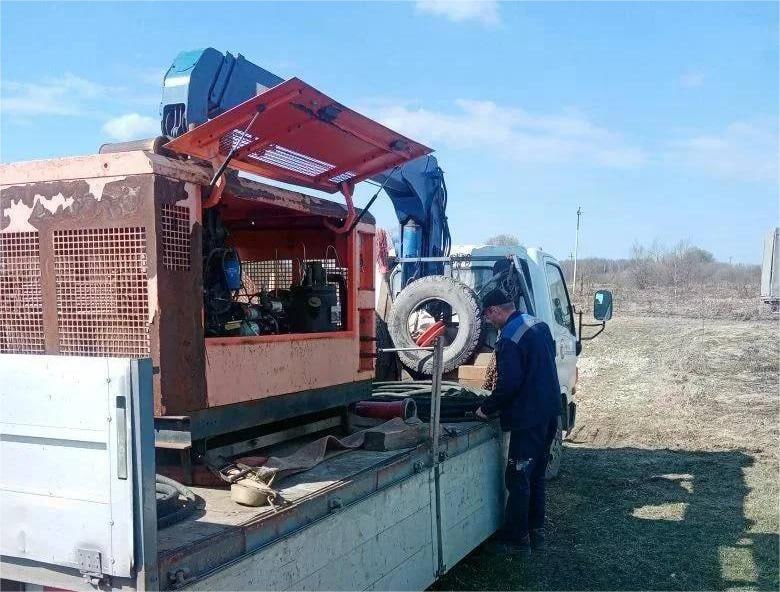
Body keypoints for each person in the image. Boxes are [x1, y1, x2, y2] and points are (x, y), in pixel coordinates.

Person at [476, 288, 562, 555]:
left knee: (518, 474)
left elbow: (509, 384)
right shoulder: (539, 325)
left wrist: (486, 409)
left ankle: (517, 538)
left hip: (529, 417)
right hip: (550, 411)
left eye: (489, 317)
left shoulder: (510, 338)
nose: (490, 323)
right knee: (536, 473)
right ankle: (536, 528)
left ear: (495, 311)